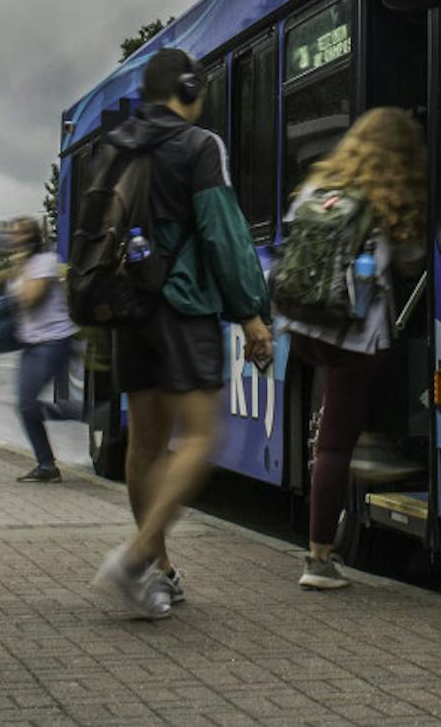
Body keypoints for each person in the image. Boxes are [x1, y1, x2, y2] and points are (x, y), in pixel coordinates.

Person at [91, 48, 272, 620]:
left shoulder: (116, 146)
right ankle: (136, 556)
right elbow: (223, 232)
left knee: (144, 444)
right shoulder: (200, 146)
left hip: (128, 310)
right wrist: (250, 310)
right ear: (190, 87)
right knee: (201, 438)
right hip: (183, 307)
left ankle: (159, 574)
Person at [275, 107, 427, 590]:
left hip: (302, 327)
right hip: (351, 335)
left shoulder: (314, 190)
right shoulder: (383, 202)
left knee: (336, 429)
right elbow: (412, 261)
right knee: (334, 444)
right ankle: (318, 560)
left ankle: (369, 441)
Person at [6, 215, 83, 482]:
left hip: (54, 341)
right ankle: (47, 465)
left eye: (19, 235)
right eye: (12, 235)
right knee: (25, 405)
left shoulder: (45, 263)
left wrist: (17, 269)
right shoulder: (25, 266)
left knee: (28, 404)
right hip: (32, 343)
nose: (13, 240)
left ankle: (82, 412)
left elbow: (30, 299)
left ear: (31, 238)